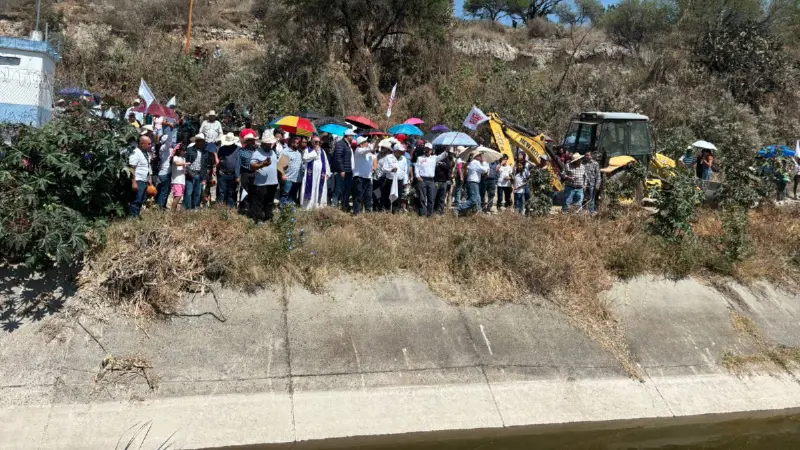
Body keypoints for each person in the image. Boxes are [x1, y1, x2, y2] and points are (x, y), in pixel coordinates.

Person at [249, 137, 279, 223]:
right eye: (267, 144)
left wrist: (284, 166)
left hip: (273, 182)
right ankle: (257, 219)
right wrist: (262, 164)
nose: (269, 146)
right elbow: (252, 166)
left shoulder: (272, 152)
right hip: (261, 183)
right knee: (259, 201)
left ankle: (268, 217)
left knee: (269, 201)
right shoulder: (257, 153)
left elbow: (275, 164)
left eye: (270, 144)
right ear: (262, 144)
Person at [414, 143, 449, 217]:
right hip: (422, 179)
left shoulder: (434, 158)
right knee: (422, 198)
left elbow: (442, 156)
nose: (427, 150)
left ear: (431, 150)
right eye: (426, 149)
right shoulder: (420, 158)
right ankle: (423, 214)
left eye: (429, 149)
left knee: (431, 198)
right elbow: (416, 168)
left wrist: (446, 150)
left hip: (431, 180)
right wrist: (418, 176)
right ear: (424, 149)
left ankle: (430, 214)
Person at [301, 135, 331, 209]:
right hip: (311, 175)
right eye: (316, 142)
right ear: (312, 142)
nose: (317, 143)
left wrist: (327, 173)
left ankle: (318, 205)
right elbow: (305, 159)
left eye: (319, 142)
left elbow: (326, 162)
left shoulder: (322, 151)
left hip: (321, 175)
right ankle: (308, 206)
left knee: (320, 188)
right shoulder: (307, 150)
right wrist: (315, 152)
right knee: (311, 188)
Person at [380, 144, 409, 213]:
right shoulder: (388, 157)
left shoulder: (404, 159)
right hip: (390, 180)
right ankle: (387, 210)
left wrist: (405, 181)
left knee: (398, 197)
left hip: (399, 180)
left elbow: (405, 171)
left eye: (403, 151)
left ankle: (395, 211)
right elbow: (384, 169)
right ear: (395, 151)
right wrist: (391, 170)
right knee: (388, 196)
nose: (402, 152)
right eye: (400, 151)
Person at [129, 136, 153, 217]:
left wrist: (149, 178)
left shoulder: (146, 153)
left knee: (142, 199)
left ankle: (137, 215)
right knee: (137, 200)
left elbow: (148, 167)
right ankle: (133, 217)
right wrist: (134, 182)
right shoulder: (136, 152)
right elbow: (132, 168)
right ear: (142, 144)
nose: (150, 145)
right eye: (148, 144)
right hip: (138, 180)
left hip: (144, 180)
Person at [216, 132, 241, 208]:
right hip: (223, 173)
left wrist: (238, 175)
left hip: (234, 174)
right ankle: (221, 207)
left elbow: (239, 163)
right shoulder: (222, 149)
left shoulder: (238, 149)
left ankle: (231, 207)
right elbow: (219, 158)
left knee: (232, 192)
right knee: (222, 192)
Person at [332, 130, 355, 210]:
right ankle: (334, 207)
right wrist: (342, 170)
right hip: (342, 171)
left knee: (346, 190)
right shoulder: (340, 144)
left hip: (348, 171)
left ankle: (344, 206)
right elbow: (338, 158)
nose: (353, 137)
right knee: (339, 190)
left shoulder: (347, 144)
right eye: (352, 136)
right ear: (348, 136)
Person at [184, 134, 208, 209]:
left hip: (199, 174)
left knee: (198, 192)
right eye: (201, 142)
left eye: (203, 142)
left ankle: (196, 207)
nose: (203, 143)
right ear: (197, 142)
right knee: (189, 192)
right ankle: (188, 208)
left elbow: (205, 165)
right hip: (190, 173)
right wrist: (188, 172)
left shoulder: (205, 152)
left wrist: (204, 177)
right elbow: (185, 161)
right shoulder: (189, 150)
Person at [238, 131, 260, 214]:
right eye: (251, 140)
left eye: (253, 140)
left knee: (253, 190)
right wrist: (238, 175)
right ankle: (243, 207)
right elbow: (239, 163)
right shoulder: (241, 151)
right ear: (247, 141)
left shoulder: (257, 151)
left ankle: (252, 206)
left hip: (255, 173)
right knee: (244, 190)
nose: (253, 141)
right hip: (245, 173)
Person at [352, 136, 375, 214]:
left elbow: (372, 150)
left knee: (368, 196)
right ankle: (357, 213)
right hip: (359, 177)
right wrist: (378, 140)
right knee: (358, 196)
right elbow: (370, 148)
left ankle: (368, 213)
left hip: (368, 177)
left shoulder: (368, 153)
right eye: (365, 142)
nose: (367, 143)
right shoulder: (358, 150)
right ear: (361, 144)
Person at [279, 136, 304, 206]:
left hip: (297, 179)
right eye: (297, 143)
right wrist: (283, 175)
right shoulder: (286, 151)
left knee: (293, 194)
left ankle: (290, 208)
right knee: (285, 194)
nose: (299, 144)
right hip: (288, 178)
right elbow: (281, 165)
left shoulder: (299, 153)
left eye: (299, 143)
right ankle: (282, 208)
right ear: (292, 143)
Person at [433, 147, 455, 215]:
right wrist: (441, 165)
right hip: (436, 180)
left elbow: (447, 167)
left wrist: (439, 165)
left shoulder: (446, 159)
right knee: (435, 196)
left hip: (444, 181)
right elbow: (434, 168)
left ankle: (441, 211)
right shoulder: (435, 158)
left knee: (442, 197)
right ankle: (434, 210)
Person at [155, 134, 173, 208]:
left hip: (167, 173)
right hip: (164, 173)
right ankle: (160, 207)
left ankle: (162, 205)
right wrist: (171, 131)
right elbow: (168, 142)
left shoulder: (168, 149)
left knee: (166, 191)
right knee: (164, 192)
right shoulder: (164, 148)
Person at [170, 145, 187, 211]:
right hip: (177, 180)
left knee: (178, 196)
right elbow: (177, 163)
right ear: (179, 151)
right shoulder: (175, 157)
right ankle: (172, 211)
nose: (185, 152)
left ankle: (174, 211)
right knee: (178, 196)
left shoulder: (183, 158)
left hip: (182, 180)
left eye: (185, 151)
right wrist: (185, 163)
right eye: (183, 151)